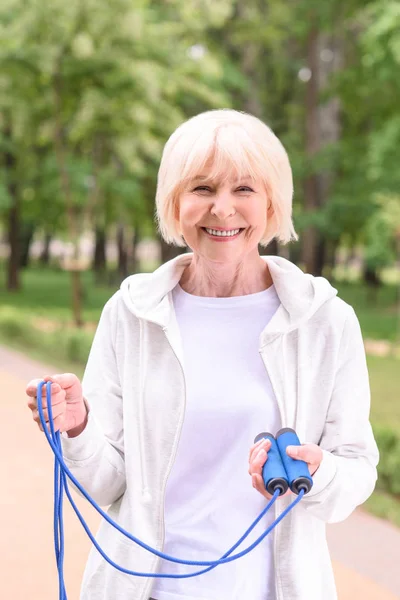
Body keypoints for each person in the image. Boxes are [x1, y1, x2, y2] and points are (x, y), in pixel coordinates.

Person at [26, 109, 379, 600]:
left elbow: (357, 470)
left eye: (244, 190)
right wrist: (80, 427)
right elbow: (108, 486)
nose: (223, 209)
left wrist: (319, 471)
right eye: (202, 189)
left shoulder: (324, 321)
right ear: (175, 203)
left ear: (272, 204)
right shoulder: (131, 313)